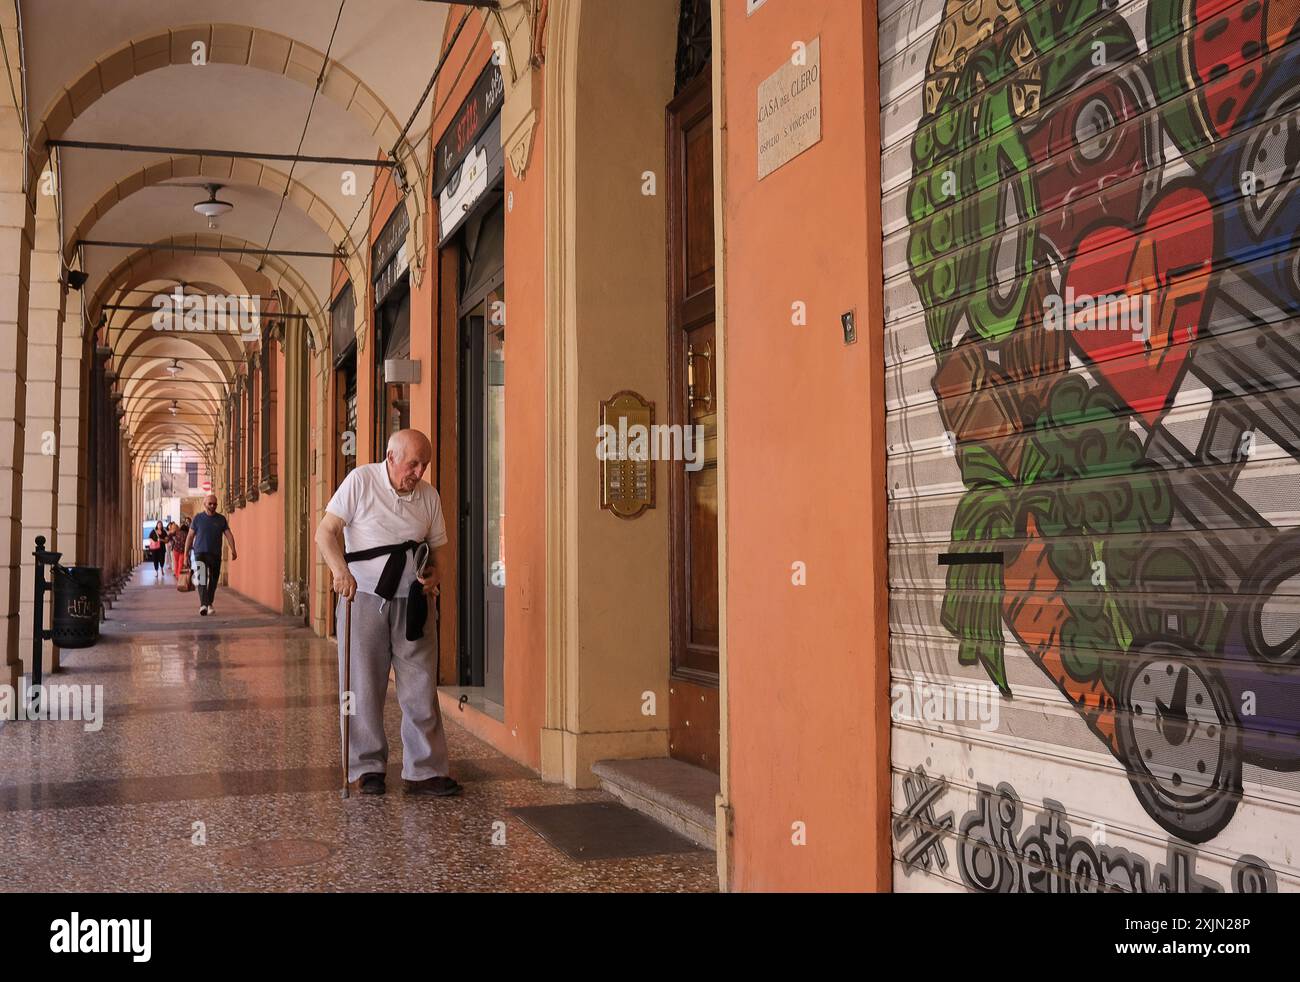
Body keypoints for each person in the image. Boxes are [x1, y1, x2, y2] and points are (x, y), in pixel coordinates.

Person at [314, 429, 462, 798]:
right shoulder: (361, 481)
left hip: (413, 601)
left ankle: (424, 771)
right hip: (362, 596)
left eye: (424, 464)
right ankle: (367, 768)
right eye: (413, 463)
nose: (419, 471)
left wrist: (436, 575)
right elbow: (326, 533)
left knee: (421, 685)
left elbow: (441, 550)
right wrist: (339, 572)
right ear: (391, 457)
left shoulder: (428, 496)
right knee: (361, 686)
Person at [184, 494, 237, 616]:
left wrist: (233, 549)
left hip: (215, 554)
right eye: (210, 504)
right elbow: (190, 536)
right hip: (200, 553)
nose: (212, 506)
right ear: (205, 504)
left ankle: (209, 603)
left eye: (215, 504)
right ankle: (204, 605)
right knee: (202, 579)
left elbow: (229, 534)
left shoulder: (221, 519)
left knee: (213, 581)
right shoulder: (197, 518)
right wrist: (185, 554)